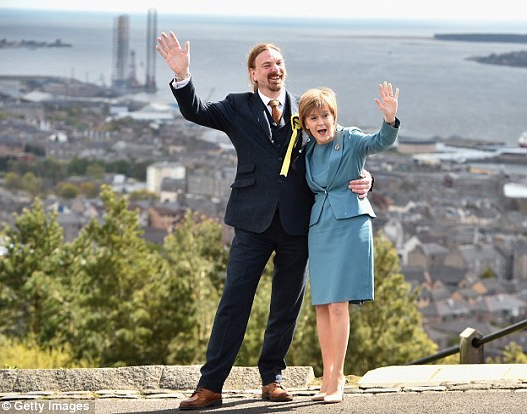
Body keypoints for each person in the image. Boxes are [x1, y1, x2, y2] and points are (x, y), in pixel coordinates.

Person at [155, 32, 373, 410]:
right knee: (234, 301)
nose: (275, 69)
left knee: (285, 306)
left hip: (298, 222)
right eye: (266, 64)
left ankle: (272, 378)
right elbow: (196, 111)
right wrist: (182, 76)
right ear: (253, 74)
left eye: (279, 63)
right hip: (251, 221)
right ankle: (210, 386)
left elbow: (340, 147)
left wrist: (367, 178)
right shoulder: (237, 106)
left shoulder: (305, 109)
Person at [299, 83, 399, 404]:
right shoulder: (308, 150)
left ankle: (336, 377)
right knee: (323, 306)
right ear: (305, 123)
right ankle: (327, 374)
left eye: (325, 114)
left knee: (339, 304)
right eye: (313, 117)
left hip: (349, 224)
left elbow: (379, 142)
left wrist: (389, 119)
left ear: (334, 116)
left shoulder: (350, 138)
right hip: (319, 228)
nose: (320, 122)